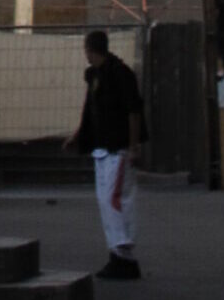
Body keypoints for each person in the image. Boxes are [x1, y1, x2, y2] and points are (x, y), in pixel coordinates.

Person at [63, 30, 143, 282]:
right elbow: (91, 110)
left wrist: (132, 147)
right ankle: (118, 253)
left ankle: (123, 253)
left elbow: (133, 111)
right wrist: (78, 134)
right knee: (106, 200)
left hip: (118, 148)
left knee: (114, 199)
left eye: (86, 49)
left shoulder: (120, 74)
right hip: (102, 147)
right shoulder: (96, 76)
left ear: (90, 49)